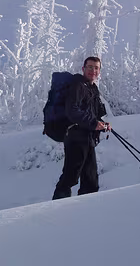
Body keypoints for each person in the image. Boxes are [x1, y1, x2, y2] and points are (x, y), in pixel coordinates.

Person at [52, 56, 110, 200]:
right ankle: (55, 211)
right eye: (90, 67)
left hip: (87, 137)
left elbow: (91, 114)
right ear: (83, 69)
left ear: (99, 71)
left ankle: (85, 211)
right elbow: (72, 111)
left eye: (96, 68)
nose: (93, 70)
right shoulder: (78, 85)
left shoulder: (92, 89)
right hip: (76, 136)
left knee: (91, 180)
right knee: (71, 176)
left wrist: (101, 124)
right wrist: (93, 123)